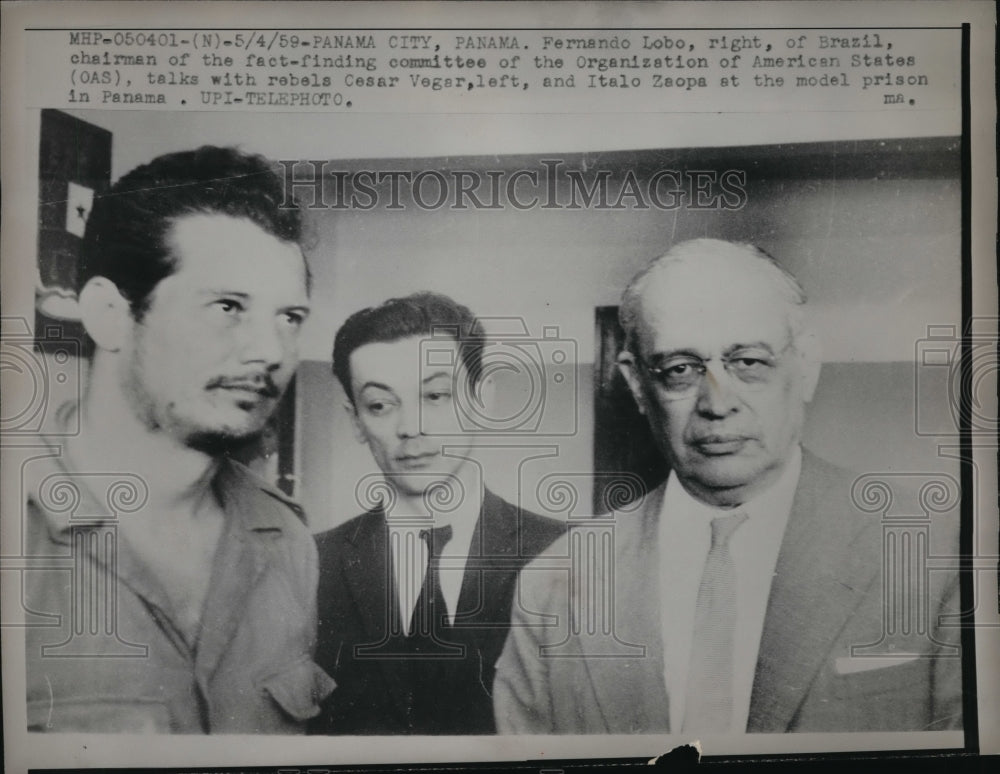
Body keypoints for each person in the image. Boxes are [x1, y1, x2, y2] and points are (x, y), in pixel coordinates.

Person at [493, 238, 962, 734]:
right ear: (635, 384)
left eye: (748, 362)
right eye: (680, 369)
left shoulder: (936, 552)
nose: (717, 403)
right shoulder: (555, 583)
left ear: (805, 365)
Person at [23, 146, 334, 733]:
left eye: (289, 317)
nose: (271, 352)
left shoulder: (289, 542)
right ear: (111, 314)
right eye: (228, 306)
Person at [310, 292, 565, 734]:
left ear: (483, 399)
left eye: (436, 395)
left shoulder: (565, 553)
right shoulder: (310, 564)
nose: (412, 426)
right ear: (355, 421)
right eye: (380, 405)